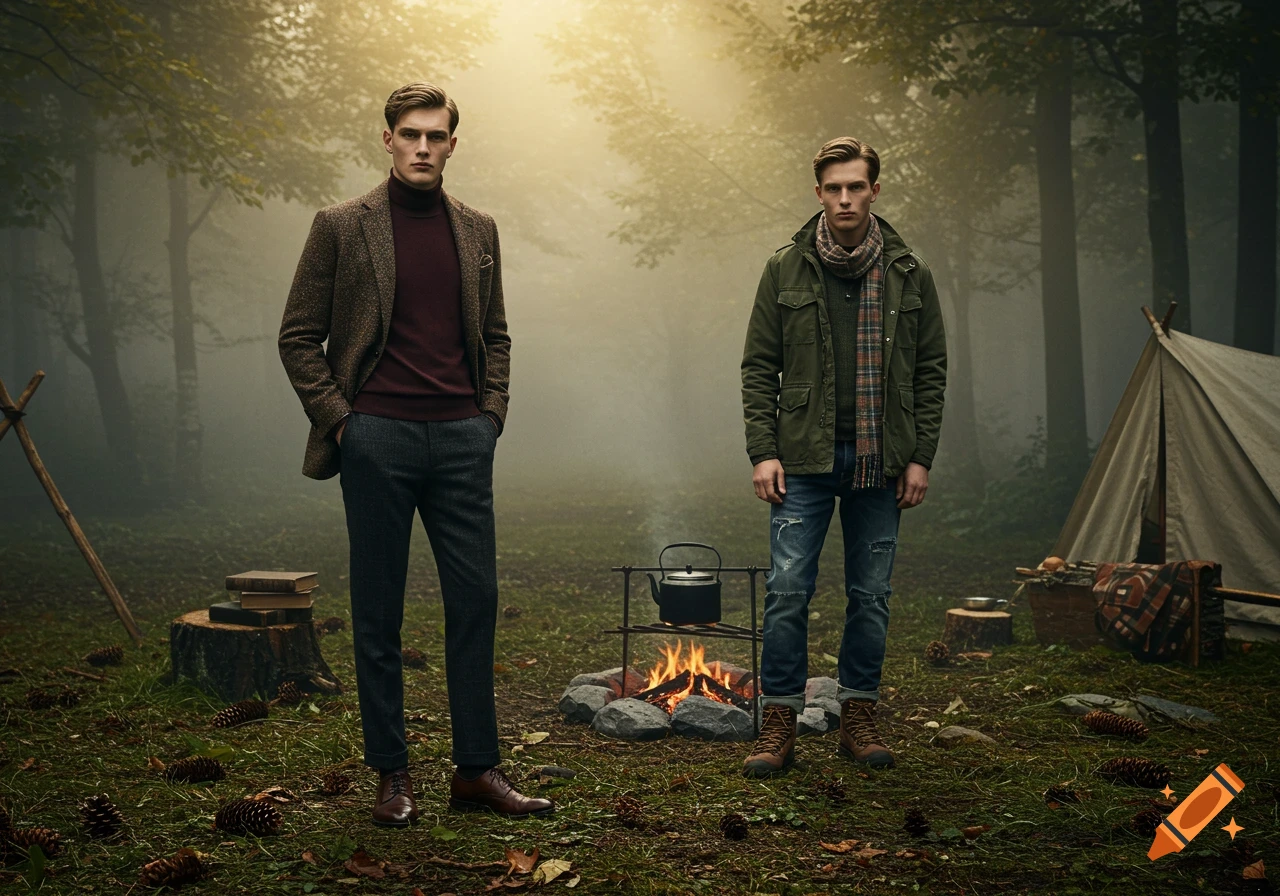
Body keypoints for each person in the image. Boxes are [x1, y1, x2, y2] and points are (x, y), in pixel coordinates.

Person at [279, 81, 552, 825]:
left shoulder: (478, 229)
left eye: (436, 136)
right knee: (379, 610)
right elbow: (297, 334)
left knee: (476, 601)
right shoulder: (341, 225)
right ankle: (392, 773)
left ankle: (476, 769)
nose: (423, 147)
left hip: (462, 440)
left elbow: (495, 334)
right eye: (410, 134)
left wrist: (488, 415)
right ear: (389, 140)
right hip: (377, 439)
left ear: (453, 144)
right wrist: (343, 423)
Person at [739, 137, 947, 777]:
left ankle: (859, 713)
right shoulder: (785, 268)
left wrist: (920, 457)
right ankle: (778, 720)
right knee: (787, 591)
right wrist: (763, 450)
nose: (845, 199)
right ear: (819, 192)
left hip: (881, 462)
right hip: (800, 459)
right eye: (834, 188)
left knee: (871, 594)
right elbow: (759, 366)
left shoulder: (911, 272)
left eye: (856, 187)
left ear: (875, 191)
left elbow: (931, 371)